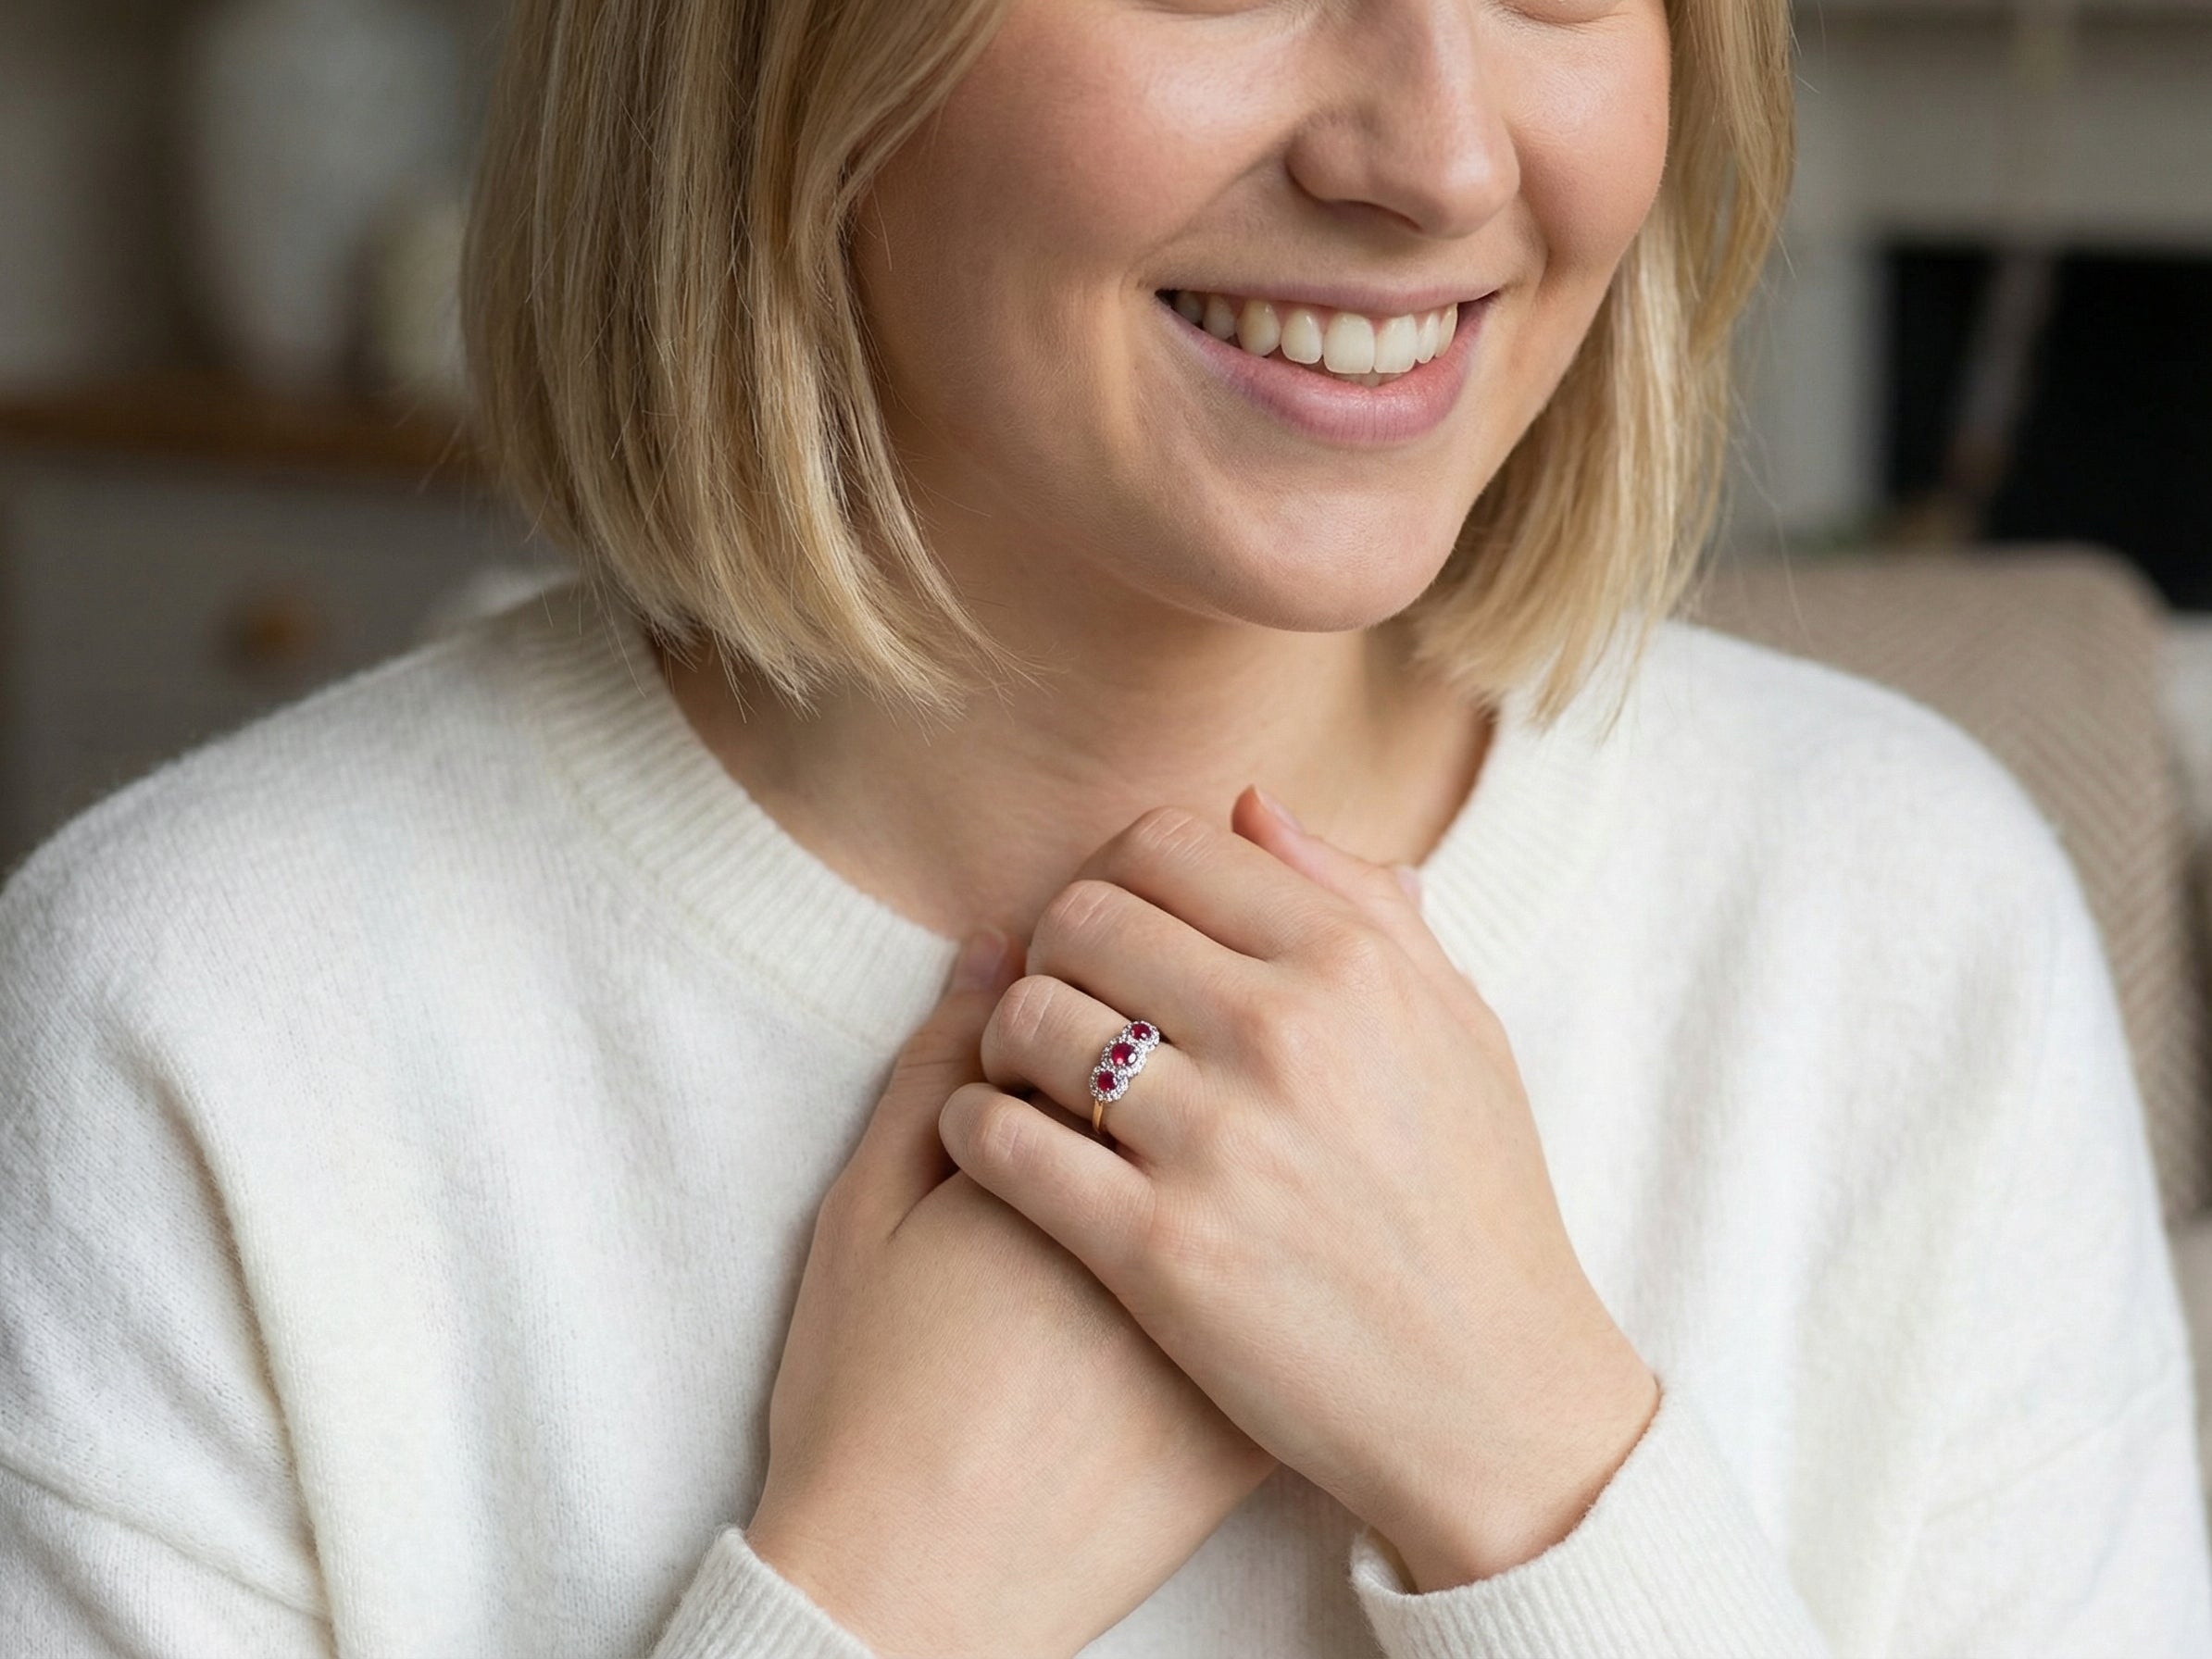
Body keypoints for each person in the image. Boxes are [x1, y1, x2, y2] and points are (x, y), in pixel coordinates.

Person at [3, 0, 2207, 1653]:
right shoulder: (184, 1024)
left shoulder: (1905, 917)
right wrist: (879, 1588)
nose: (1436, 155)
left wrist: (1539, 1474)